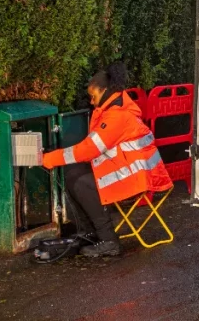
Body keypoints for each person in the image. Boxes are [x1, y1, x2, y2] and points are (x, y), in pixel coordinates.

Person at [42, 63, 172, 257]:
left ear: (104, 91)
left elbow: (89, 150)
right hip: (133, 171)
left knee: (82, 183)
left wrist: (51, 158)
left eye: (93, 96)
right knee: (73, 176)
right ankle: (90, 233)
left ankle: (109, 241)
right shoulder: (113, 108)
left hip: (139, 179)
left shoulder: (116, 116)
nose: (92, 102)